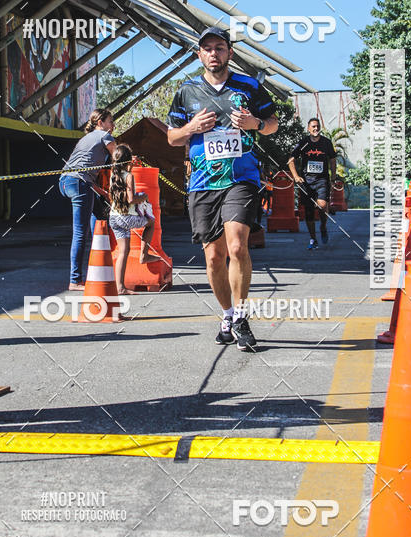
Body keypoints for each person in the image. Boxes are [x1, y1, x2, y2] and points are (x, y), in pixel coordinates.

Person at [167, 27, 279, 351]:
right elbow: (172, 137)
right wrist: (191, 128)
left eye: (219, 47)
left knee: (237, 246)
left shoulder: (249, 86)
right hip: (202, 183)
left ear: (230, 52)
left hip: (241, 178)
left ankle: (242, 316)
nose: (214, 53)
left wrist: (254, 124)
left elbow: (273, 123)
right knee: (214, 258)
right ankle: (228, 315)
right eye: (207, 49)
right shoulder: (186, 91)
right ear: (199, 54)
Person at [59, 108, 116, 290]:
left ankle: (99, 264)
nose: (112, 125)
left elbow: (85, 171)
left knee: (99, 217)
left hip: (66, 182)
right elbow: (119, 157)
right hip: (79, 183)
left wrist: (102, 192)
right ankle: (75, 280)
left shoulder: (85, 138)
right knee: (79, 233)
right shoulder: (104, 135)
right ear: (100, 122)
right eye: (110, 121)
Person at [108, 144, 157, 294]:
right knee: (151, 222)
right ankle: (144, 254)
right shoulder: (129, 177)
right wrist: (143, 196)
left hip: (114, 218)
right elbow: (131, 199)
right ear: (129, 160)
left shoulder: (113, 175)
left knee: (124, 251)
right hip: (126, 218)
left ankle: (120, 287)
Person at [287, 118, 336, 249]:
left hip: (322, 180)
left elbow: (332, 160)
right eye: (313, 126)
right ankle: (313, 239)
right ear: (308, 129)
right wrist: (296, 176)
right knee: (308, 212)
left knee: (322, 205)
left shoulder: (326, 143)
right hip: (306, 182)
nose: (315, 128)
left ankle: (323, 226)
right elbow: (291, 160)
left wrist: (334, 176)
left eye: (317, 126)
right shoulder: (303, 143)